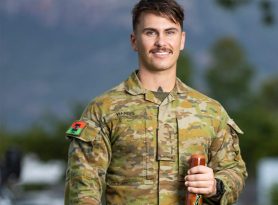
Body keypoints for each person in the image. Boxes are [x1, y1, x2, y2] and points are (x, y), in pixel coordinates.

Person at [64, 0, 247, 204]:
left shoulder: (211, 111)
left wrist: (216, 186)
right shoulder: (102, 109)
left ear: (182, 40)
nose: (161, 42)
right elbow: (82, 186)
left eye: (170, 32)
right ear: (134, 41)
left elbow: (234, 170)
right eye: (150, 32)